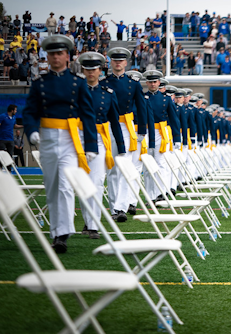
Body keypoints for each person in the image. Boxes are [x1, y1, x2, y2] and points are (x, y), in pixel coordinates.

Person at [22, 35, 98, 254]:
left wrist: (91, 145)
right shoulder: (39, 84)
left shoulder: (78, 82)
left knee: (65, 185)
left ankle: (62, 234)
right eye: (52, 54)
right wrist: (32, 131)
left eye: (60, 53)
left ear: (67, 56)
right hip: (46, 138)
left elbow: (88, 114)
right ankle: (56, 232)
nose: (56, 57)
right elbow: (30, 111)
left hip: (69, 139)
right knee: (53, 186)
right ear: (47, 56)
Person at [78, 52, 125, 238]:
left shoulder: (107, 94)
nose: (91, 73)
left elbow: (114, 121)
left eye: (95, 69)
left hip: (98, 139)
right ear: (83, 70)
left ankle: (93, 225)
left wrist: (120, 147)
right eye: (88, 69)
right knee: (82, 183)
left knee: (97, 182)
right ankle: (88, 220)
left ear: (100, 70)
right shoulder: (76, 91)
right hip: (77, 137)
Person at [101, 47, 149, 220]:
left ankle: (120, 208)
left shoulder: (133, 84)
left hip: (126, 128)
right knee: (112, 169)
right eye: (115, 60)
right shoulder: (104, 83)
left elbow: (142, 106)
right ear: (111, 62)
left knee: (124, 167)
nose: (118, 63)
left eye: (121, 60)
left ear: (126, 62)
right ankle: (115, 207)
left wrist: (142, 130)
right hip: (108, 127)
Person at [142, 70, 180, 201]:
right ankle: (150, 196)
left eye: (155, 82)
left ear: (159, 82)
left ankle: (161, 193)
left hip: (160, 133)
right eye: (150, 82)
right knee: (147, 166)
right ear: (146, 82)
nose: (152, 84)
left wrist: (177, 138)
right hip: (145, 133)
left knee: (161, 163)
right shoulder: (142, 97)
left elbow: (174, 119)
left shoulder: (166, 99)